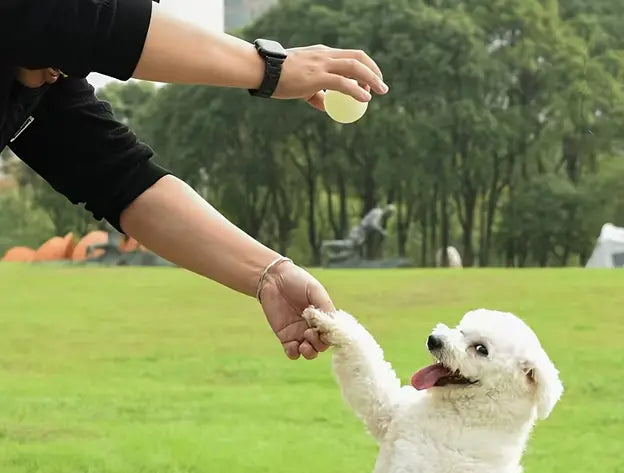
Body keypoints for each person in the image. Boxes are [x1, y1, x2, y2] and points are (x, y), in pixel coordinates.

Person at [0, 0, 389, 360]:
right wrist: (269, 69)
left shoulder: (44, 80)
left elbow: (124, 180)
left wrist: (268, 273)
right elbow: (78, 19)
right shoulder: (44, 26)